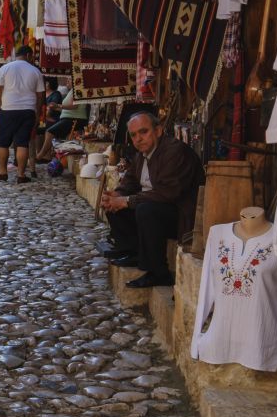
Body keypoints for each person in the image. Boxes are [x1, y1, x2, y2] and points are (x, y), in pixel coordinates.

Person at [100, 111, 205, 288]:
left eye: (144, 132)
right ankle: (134, 252)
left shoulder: (174, 151)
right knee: (116, 206)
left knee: (145, 210)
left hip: (182, 214)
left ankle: (158, 273)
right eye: (134, 135)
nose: (139, 139)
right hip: (158, 207)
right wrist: (115, 196)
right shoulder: (142, 154)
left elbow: (168, 193)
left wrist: (125, 201)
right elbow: (130, 181)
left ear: (158, 131)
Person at [0, 46, 45, 183]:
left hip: (8, 109)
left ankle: (2, 172)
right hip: (27, 111)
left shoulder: (5, 68)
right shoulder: (35, 71)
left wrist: (1, 103)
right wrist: (36, 112)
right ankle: (21, 175)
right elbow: (40, 96)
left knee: (3, 142)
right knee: (22, 143)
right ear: (28, 55)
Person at [37, 81, 89, 160]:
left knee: (49, 131)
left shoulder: (78, 89)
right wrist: (55, 107)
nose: (67, 81)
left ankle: (40, 155)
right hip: (69, 118)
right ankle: (44, 155)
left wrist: (57, 105)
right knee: (46, 130)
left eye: (69, 79)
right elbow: (66, 108)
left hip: (74, 119)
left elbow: (74, 106)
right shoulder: (72, 91)